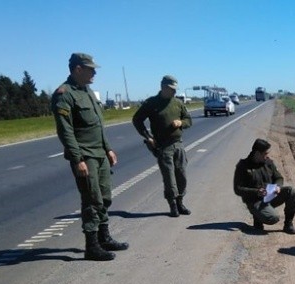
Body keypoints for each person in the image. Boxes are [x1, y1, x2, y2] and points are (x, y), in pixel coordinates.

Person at [51, 53, 128, 261]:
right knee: (91, 199)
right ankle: (91, 246)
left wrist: (108, 149)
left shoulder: (88, 92)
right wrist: (78, 159)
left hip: (99, 154)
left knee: (105, 197)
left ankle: (104, 238)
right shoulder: (64, 94)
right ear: (77, 69)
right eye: (90, 68)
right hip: (85, 156)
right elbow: (65, 131)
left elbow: (98, 126)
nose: (94, 72)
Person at [132, 75, 193, 217]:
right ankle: (172, 205)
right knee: (169, 178)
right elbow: (137, 120)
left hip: (178, 144)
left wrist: (181, 123)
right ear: (163, 87)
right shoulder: (152, 103)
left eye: (175, 89)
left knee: (182, 175)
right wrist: (148, 137)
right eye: (171, 89)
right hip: (163, 146)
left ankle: (180, 202)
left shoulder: (178, 103)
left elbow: (188, 120)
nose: (173, 92)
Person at [233, 138, 295, 234]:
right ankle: (257, 217)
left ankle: (288, 224)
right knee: (273, 218)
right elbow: (238, 189)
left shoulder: (268, 163)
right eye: (265, 154)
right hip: (255, 201)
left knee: (291, 191)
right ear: (257, 153)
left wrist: (278, 186)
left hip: (270, 196)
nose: (267, 156)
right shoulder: (243, 166)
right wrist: (256, 192)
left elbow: (279, 177)